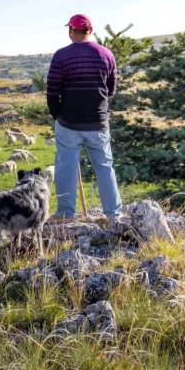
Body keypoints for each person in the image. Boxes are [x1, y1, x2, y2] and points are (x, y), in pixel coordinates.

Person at [45, 14, 122, 223]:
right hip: (98, 121)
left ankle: (65, 213)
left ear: (71, 31)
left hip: (68, 122)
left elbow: (52, 92)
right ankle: (113, 214)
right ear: (91, 30)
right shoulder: (107, 54)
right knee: (105, 166)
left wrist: (57, 115)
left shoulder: (61, 56)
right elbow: (111, 89)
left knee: (66, 165)